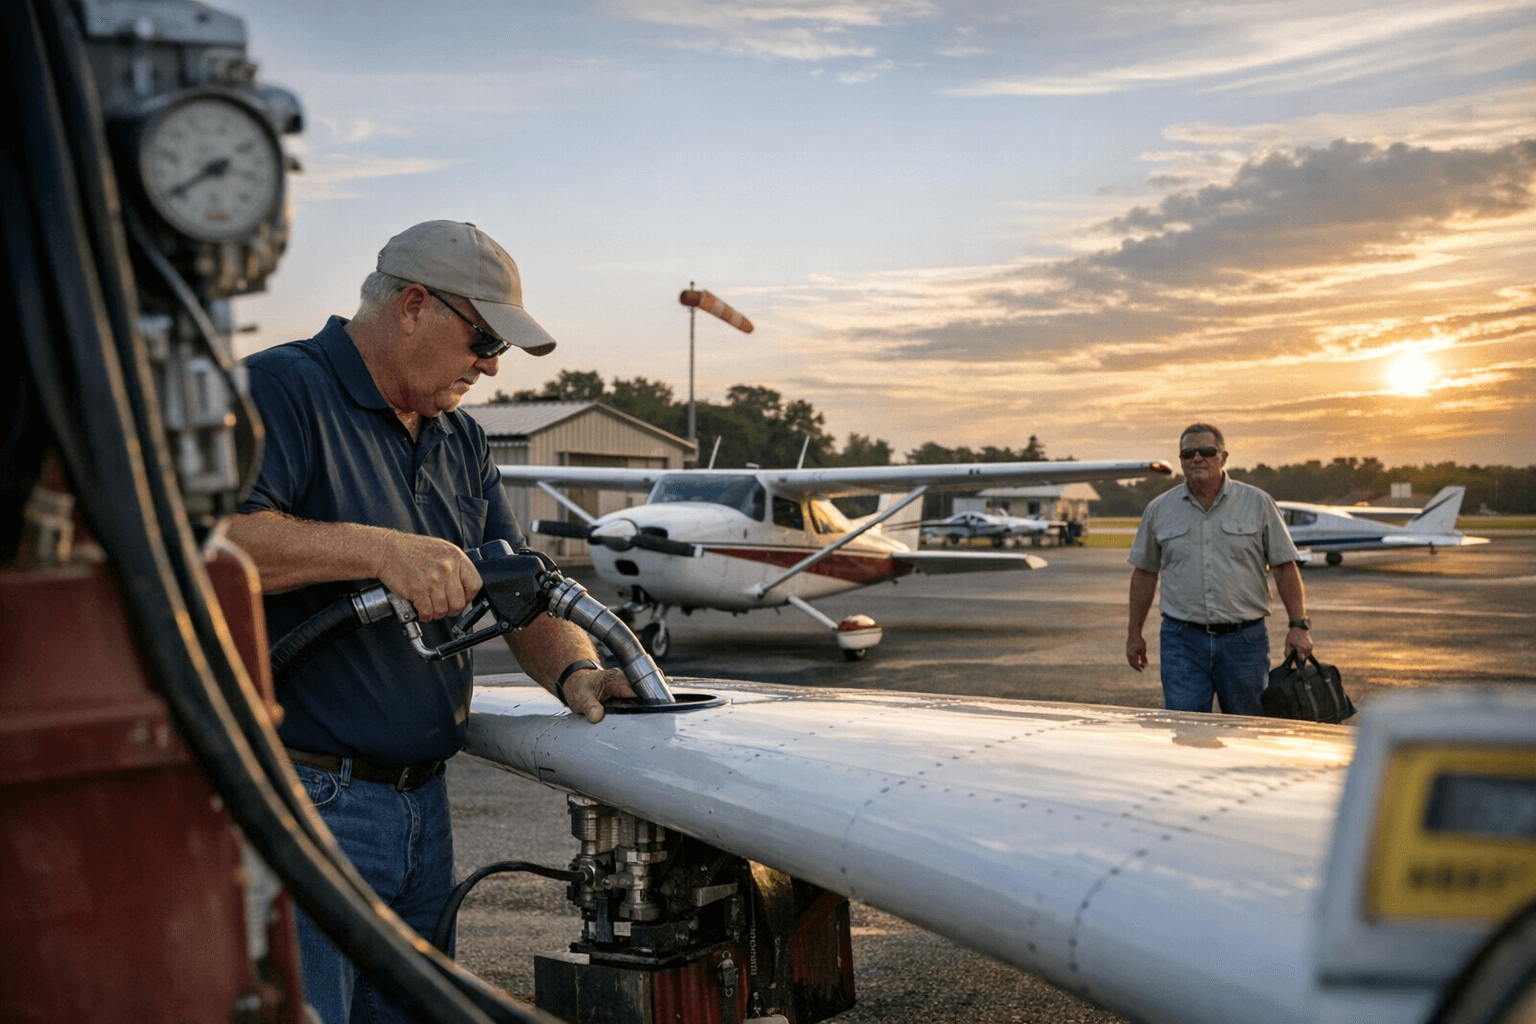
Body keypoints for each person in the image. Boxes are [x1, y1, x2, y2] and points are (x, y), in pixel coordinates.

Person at [225, 220, 635, 1023]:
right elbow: (207, 543)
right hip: (306, 800)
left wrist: (578, 672)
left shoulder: (461, 438)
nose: (490, 365)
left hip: (424, 810)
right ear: (413, 307)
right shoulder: (277, 389)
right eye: (484, 340)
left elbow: (521, 589)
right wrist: (382, 551)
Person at [1124, 423, 1314, 714]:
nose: (1197, 458)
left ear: (1223, 457)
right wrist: (1134, 633)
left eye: (1206, 451)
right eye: (1188, 453)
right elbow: (1144, 574)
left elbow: (1284, 567)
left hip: (1244, 641)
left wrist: (1298, 626)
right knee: (1185, 728)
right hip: (1182, 641)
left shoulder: (1258, 503)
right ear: (1181, 460)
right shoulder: (1159, 509)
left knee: (1246, 728)